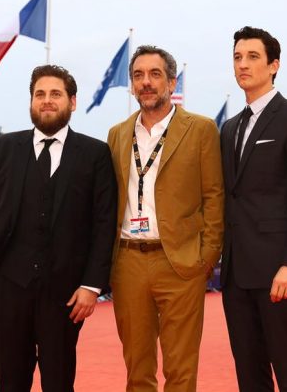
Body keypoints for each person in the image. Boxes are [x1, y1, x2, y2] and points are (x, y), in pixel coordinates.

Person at [0, 64, 117, 391]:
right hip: (6, 288)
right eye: (40, 94)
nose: (46, 101)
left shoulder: (95, 154)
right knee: (9, 381)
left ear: (73, 102)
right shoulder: (4, 147)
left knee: (59, 381)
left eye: (55, 94)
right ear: (31, 102)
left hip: (66, 295)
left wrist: (92, 285)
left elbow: (104, 223)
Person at [107, 45, 224, 391]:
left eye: (155, 74)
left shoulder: (201, 130)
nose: (146, 82)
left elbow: (214, 197)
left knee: (181, 371)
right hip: (128, 263)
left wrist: (206, 259)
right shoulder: (116, 134)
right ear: (131, 85)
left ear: (171, 83)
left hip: (181, 263)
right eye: (139, 75)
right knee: (137, 371)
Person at [219, 26, 287, 392]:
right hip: (235, 275)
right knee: (249, 374)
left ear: (274, 65)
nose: (242, 64)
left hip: (279, 273)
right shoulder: (229, 128)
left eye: (252, 57)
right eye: (237, 57)